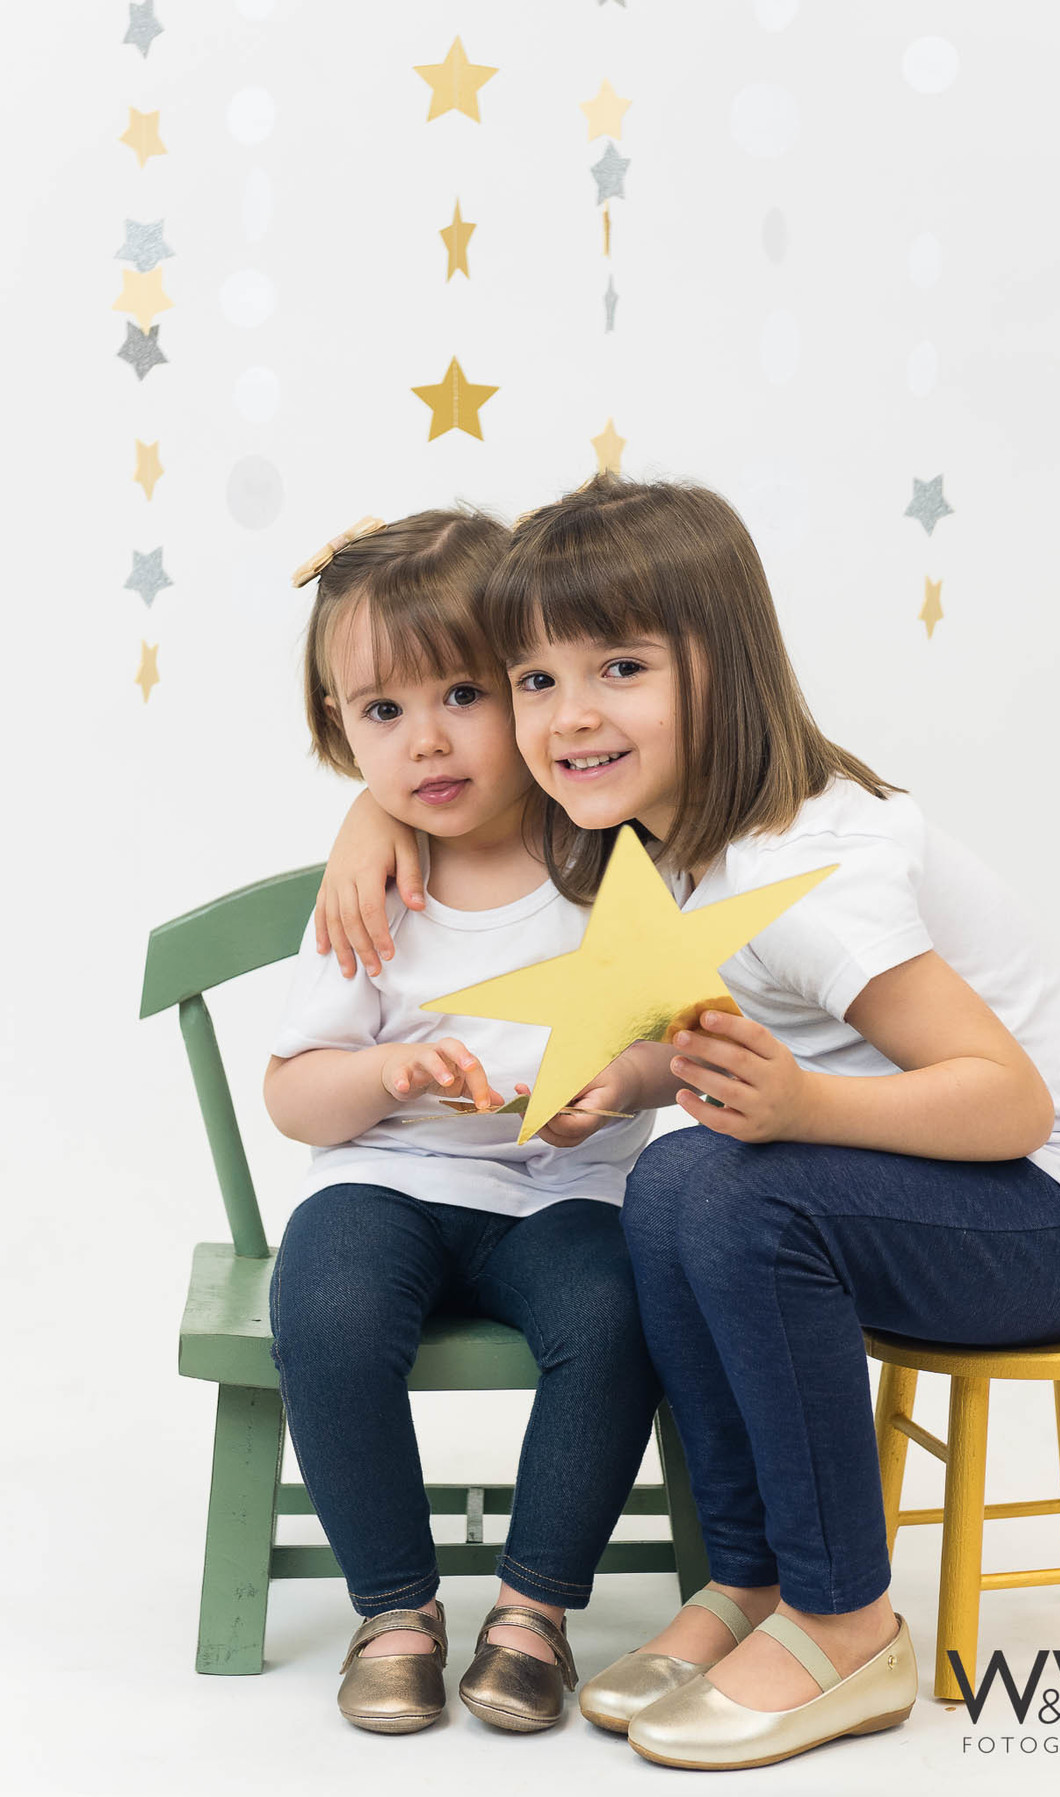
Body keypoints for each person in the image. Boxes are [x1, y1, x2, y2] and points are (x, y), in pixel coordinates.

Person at [314, 475, 1060, 1772]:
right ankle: (753, 1582)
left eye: (620, 668)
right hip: (923, 1182)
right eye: (533, 680)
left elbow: (1012, 1101)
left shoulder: (806, 876)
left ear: (727, 667)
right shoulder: (656, 834)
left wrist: (803, 1107)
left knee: (719, 1186)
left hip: (1056, 1215)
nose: (569, 715)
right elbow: (474, 796)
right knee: (676, 1180)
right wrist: (643, 1073)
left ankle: (846, 1619)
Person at [264, 507, 663, 1738]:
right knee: (323, 1305)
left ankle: (533, 1612)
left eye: (465, 694)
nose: (425, 741)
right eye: (381, 713)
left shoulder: (608, 854)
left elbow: (685, 1029)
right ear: (342, 735)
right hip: (391, 1183)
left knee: (618, 1317)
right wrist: (384, 1074)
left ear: (532, 691)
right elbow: (291, 1096)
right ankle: (395, 1611)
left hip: (565, 1193)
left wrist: (628, 1079)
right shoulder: (377, 889)